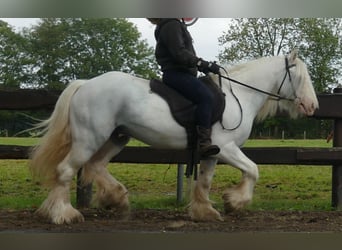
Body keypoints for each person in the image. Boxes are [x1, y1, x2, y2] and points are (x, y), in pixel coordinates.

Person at [147, 18, 221, 158]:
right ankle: (203, 142)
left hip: (182, 73)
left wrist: (201, 66)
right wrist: (202, 63)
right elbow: (179, 53)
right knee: (206, 97)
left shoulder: (171, 24)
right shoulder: (171, 24)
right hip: (177, 74)